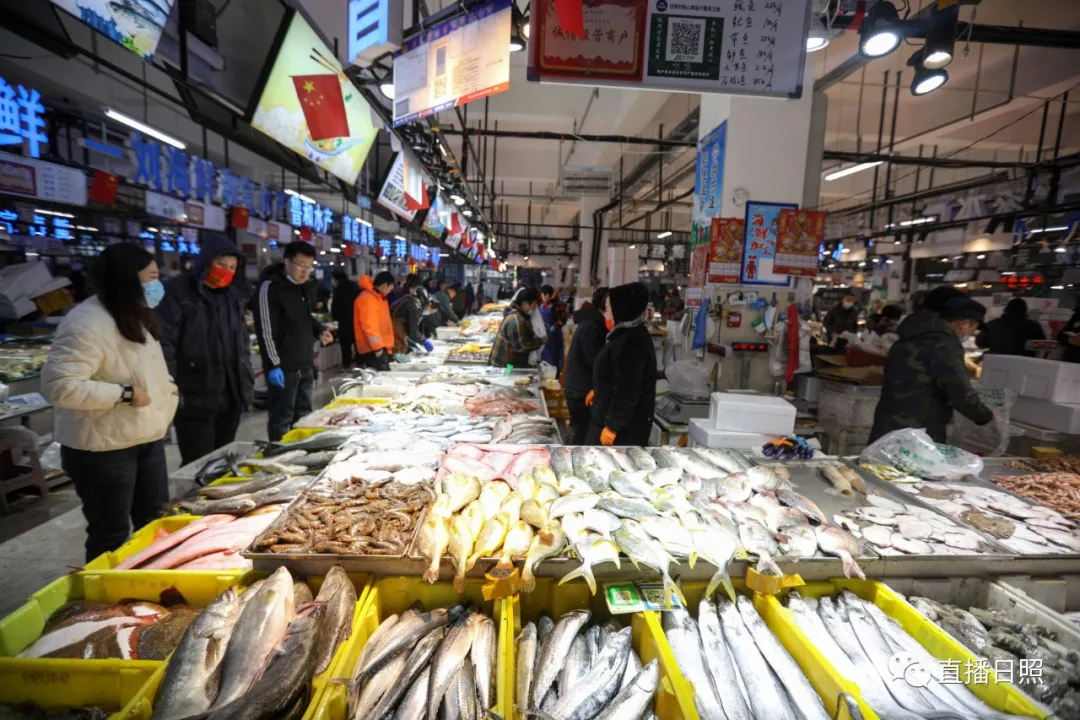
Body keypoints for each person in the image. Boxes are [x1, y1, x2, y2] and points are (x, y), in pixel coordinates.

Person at [41, 244, 179, 561]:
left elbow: (149, 368)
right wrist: (124, 394)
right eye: (152, 277)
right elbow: (59, 386)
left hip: (146, 437)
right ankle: (105, 604)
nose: (158, 284)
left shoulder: (135, 313)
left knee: (155, 523)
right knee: (111, 533)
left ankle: (151, 588)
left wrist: (169, 389)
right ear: (126, 279)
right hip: (103, 450)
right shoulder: (86, 323)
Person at [157, 233, 254, 467]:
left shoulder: (232, 296)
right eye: (221, 264)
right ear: (206, 261)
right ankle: (192, 502)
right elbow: (163, 342)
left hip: (231, 392)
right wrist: (170, 384)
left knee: (223, 458)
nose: (226, 271)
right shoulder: (176, 291)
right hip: (195, 393)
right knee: (198, 462)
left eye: (232, 267)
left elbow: (241, 340)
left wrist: (246, 379)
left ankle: (217, 502)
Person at [870, 294, 993, 444]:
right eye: (973, 328)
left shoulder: (911, 334)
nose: (970, 333)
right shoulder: (944, 344)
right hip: (918, 429)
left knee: (880, 465)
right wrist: (985, 416)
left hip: (888, 422)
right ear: (963, 323)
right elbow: (958, 389)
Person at [253, 241, 333, 441]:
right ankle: (279, 458)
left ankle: (302, 457)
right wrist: (273, 365)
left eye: (309, 266)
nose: (305, 271)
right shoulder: (270, 288)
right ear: (287, 261)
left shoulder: (301, 288)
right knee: (282, 418)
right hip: (284, 368)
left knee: (304, 415)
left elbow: (306, 318)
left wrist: (320, 330)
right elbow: (265, 329)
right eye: (301, 265)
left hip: (304, 363)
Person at [586, 282, 657, 447]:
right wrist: (599, 389)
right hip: (605, 415)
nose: (605, 314)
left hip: (623, 432)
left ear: (622, 310)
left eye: (609, 310)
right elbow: (615, 374)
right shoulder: (623, 334)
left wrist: (612, 427)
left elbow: (628, 391)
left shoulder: (632, 343)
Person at [565, 287, 609, 445]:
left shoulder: (592, 324)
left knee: (581, 433)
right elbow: (597, 362)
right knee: (582, 436)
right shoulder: (592, 328)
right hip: (582, 394)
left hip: (581, 390)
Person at [490, 288, 546, 368]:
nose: (535, 308)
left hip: (509, 362)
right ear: (525, 304)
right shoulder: (516, 320)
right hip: (504, 366)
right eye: (534, 304)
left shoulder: (520, 315)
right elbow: (522, 346)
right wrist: (540, 341)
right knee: (507, 379)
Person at [353, 271, 395, 370]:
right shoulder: (368, 299)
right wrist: (378, 348)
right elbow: (369, 325)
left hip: (380, 347)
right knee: (379, 381)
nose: (390, 291)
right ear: (385, 285)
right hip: (374, 350)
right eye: (390, 288)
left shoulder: (379, 298)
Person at [977, 298, 1046, 357]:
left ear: (1006, 309)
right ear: (1025, 311)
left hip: (996, 363)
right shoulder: (1033, 326)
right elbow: (1041, 345)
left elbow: (980, 343)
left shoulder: (992, 324)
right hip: (1024, 364)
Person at [391, 276, 433, 354]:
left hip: (397, 333)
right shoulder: (415, 305)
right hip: (394, 335)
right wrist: (424, 341)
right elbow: (413, 331)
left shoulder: (410, 299)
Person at [331, 270, 360, 368]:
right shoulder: (356, 287)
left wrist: (336, 317)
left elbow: (335, 309)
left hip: (344, 323)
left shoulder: (338, 290)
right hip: (357, 322)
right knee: (358, 345)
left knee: (345, 347)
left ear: (336, 279)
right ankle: (359, 366)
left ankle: (346, 365)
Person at [539, 285, 566, 371]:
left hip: (554, 337)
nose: (542, 297)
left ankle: (555, 375)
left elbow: (562, 319)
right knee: (545, 358)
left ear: (547, 295)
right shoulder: (542, 305)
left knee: (554, 357)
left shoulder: (556, 306)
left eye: (543, 295)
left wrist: (553, 328)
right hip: (544, 335)